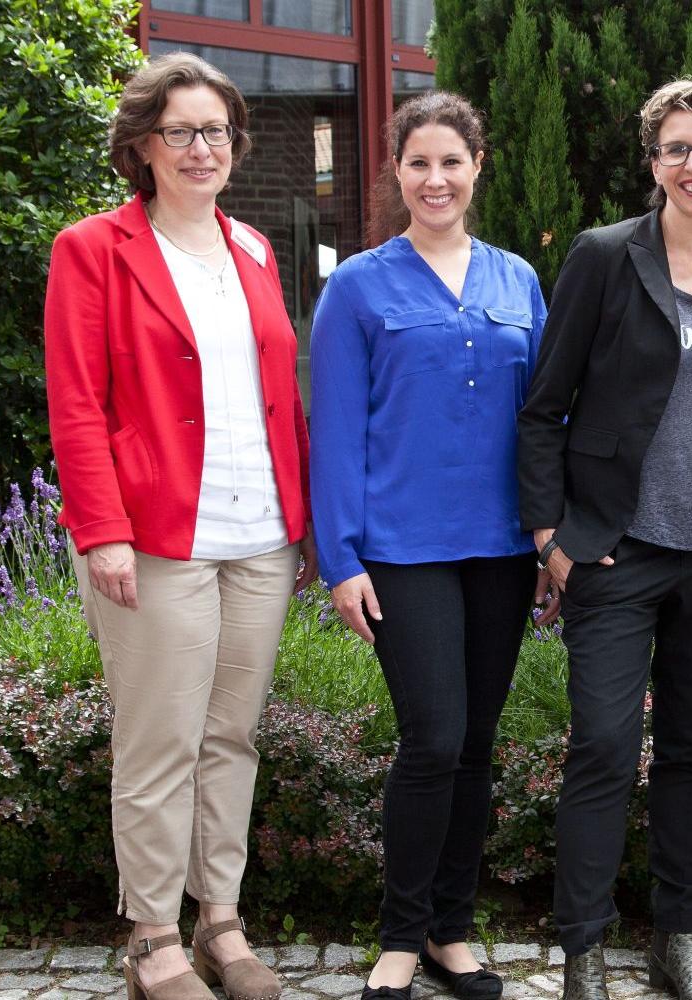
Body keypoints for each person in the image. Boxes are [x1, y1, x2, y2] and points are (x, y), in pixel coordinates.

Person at [45, 51, 317, 1000]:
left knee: (231, 736)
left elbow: (276, 392)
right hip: (156, 535)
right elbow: (77, 403)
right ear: (142, 146)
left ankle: (222, 924)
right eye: (180, 131)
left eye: (216, 131)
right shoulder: (94, 248)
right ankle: (153, 936)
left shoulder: (251, 248)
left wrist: (306, 518)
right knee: (159, 737)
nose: (202, 148)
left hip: (260, 535)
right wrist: (101, 528)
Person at [516, 76, 692, 1000]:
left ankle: (678, 941)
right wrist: (551, 535)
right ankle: (583, 951)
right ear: (655, 163)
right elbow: (543, 407)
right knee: (600, 745)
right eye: (676, 147)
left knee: (690, 750)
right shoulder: (604, 258)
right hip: (617, 550)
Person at [308, 91, 552, 1000]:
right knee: (433, 737)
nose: (436, 179)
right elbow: (332, 432)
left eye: (451, 161)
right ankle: (400, 937)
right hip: (401, 551)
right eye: (419, 164)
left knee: (478, 743)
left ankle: (454, 932)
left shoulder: (518, 280)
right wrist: (340, 558)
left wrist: (548, 536)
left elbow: (541, 422)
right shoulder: (359, 286)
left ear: (476, 166)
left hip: (500, 550)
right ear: (396, 174)